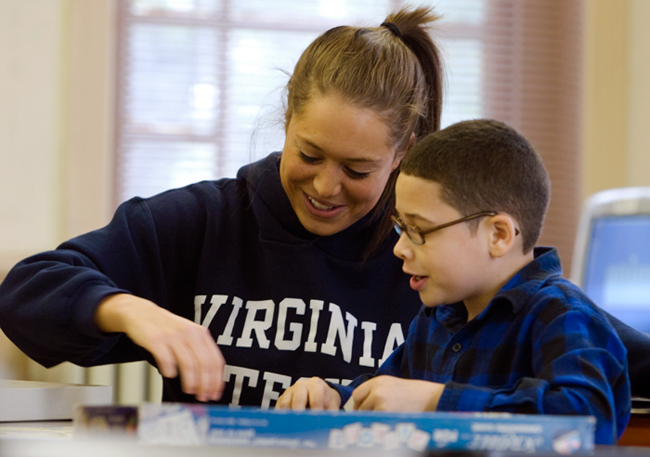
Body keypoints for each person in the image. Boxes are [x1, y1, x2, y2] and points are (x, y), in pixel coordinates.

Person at [0, 6, 444, 408]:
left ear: (402, 152)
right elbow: (25, 291)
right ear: (288, 118)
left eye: (357, 170)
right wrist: (133, 311)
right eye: (309, 155)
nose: (326, 186)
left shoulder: (428, 254)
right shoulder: (206, 222)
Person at [275, 119, 630, 445]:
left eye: (418, 230)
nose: (399, 248)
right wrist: (335, 397)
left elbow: (587, 421)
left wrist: (434, 401)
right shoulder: (438, 319)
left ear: (499, 235)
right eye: (400, 227)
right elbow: (388, 390)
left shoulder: (562, 315)